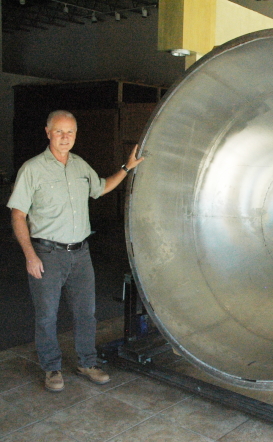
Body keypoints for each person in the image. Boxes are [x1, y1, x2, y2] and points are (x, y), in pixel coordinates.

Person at [7, 110, 144, 392]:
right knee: (47, 315)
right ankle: (52, 367)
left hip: (81, 254)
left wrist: (127, 168)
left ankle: (87, 362)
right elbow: (18, 215)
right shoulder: (32, 169)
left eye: (70, 132)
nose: (65, 137)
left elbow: (102, 187)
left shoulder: (81, 166)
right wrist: (30, 255)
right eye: (59, 131)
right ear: (47, 132)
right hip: (47, 254)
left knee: (86, 312)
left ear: (75, 135)